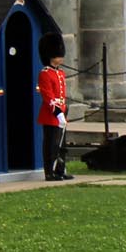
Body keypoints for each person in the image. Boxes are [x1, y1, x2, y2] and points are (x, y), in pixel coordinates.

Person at [38, 34, 73, 181]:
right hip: (51, 114)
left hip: (61, 113)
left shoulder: (60, 73)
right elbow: (48, 97)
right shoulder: (45, 73)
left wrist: (64, 112)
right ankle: (49, 172)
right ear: (50, 56)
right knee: (51, 144)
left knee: (61, 144)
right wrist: (58, 113)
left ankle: (60, 169)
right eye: (58, 55)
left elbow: (61, 95)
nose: (60, 58)